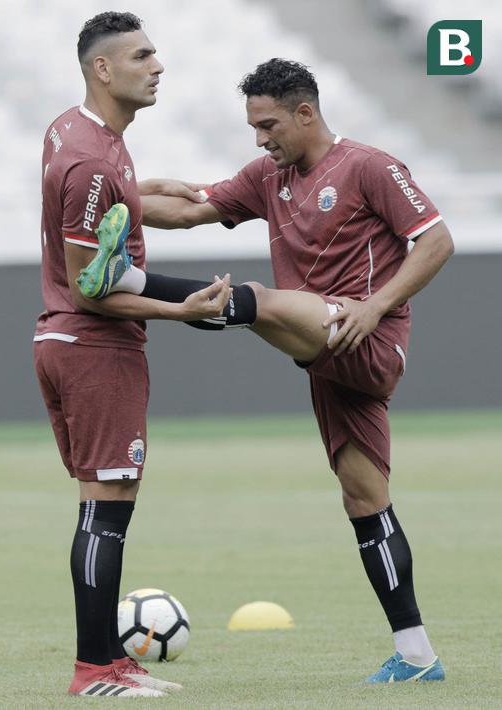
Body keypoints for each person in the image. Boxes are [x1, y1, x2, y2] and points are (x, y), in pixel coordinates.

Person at [91, 58, 454, 683]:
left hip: (363, 334)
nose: (260, 139)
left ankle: (129, 281)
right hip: (324, 359)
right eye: (254, 127)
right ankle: (418, 655)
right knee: (364, 501)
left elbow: (438, 240)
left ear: (305, 113)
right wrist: (99, 192)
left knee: (255, 299)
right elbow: (189, 208)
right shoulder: (269, 177)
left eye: (268, 125)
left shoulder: (369, 167)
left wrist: (376, 304)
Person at [34, 13, 237, 698]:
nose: (156, 66)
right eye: (141, 55)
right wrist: (179, 312)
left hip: (71, 342)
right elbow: (92, 288)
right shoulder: (93, 160)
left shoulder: (80, 132)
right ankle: (95, 668)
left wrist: (144, 190)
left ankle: (106, 663)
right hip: (92, 343)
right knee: (105, 504)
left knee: (107, 501)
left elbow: (97, 203)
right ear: (102, 69)